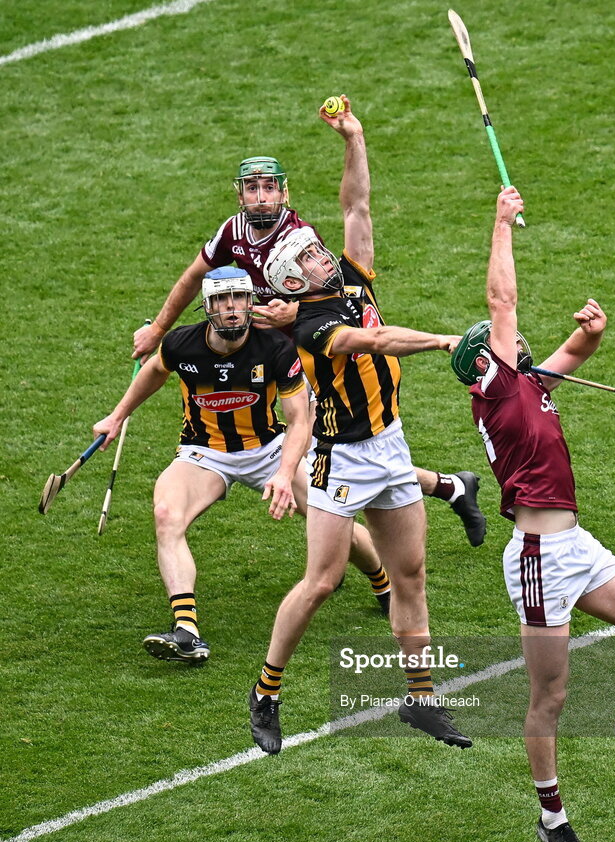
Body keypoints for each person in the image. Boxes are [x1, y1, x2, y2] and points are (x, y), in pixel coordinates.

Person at [451, 185, 615, 842]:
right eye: (507, 344)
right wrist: (501, 222)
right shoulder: (496, 390)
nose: (519, 343)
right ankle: (552, 818)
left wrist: (592, 329)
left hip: (575, 546)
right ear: (483, 362)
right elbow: (502, 302)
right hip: (537, 557)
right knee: (549, 698)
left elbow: (575, 350)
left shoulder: (526, 384)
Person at [130, 124, 487, 548]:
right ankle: (449, 489)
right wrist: (157, 327)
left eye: (268, 188)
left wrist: (291, 311)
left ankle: (359, 557)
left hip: (314, 353)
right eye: (251, 189)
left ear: (284, 193)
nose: (260, 197)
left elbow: (324, 297)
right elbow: (194, 277)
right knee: (338, 449)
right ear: (239, 194)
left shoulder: (298, 242)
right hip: (286, 352)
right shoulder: (233, 232)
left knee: (334, 449)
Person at [248, 96, 472, 754]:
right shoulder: (315, 326)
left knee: (411, 577)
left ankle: (422, 698)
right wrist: (438, 341)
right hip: (340, 458)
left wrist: (355, 137)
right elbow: (373, 345)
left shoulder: (348, 277)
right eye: (313, 256)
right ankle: (266, 690)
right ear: (295, 280)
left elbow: (356, 206)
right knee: (321, 582)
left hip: (389, 443)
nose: (326, 254)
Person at [94, 266, 396, 663]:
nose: (232, 308)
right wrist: (116, 416)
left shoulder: (274, 347)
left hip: (269, 448)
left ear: (249, 302)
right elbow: (153, 372)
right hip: (204, 453)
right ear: (207, 306)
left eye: (238, 298)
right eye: (222, 300)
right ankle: (187, 631)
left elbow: (301, 420)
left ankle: (383, 585)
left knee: (333, 518)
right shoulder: (182, 344)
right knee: (167, 513)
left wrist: (286, 475)